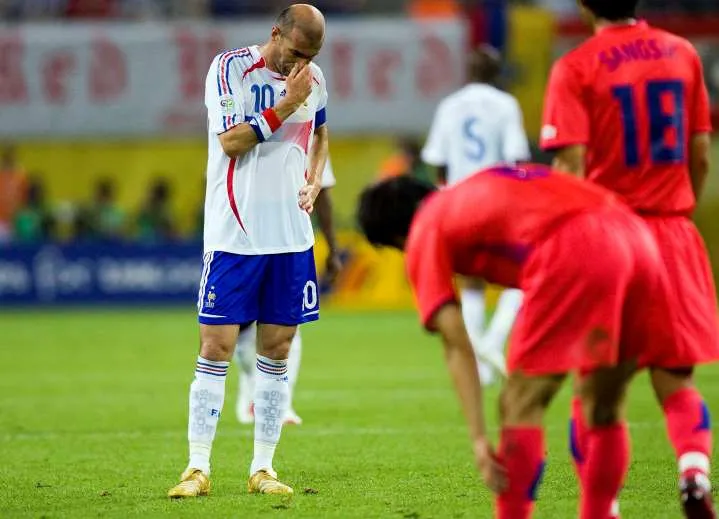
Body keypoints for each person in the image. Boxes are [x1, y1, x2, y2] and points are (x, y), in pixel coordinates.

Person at [357, 166, 677, 519]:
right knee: (603, 405)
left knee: (518, 405)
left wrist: (479, 439)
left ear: (395, 238)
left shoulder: (425, 227)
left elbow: (456, 342)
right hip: (639, 239)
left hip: (573, 249)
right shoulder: (477, 187)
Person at [540, 1, 718, 517]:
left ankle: (601, 507)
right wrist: (677, 208)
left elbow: (571, 164)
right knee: (676, 379)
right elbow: (700, 154)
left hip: (608, 238)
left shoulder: (577, 65)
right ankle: (692, 468)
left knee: (594, 389)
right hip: (671, 232)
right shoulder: (681, 53)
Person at [167, 3, 329, 498]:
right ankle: (197, 468)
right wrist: (283, 103)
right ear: (275, 33)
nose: (299, 66)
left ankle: (263, 468)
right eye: (295, 53)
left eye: (310, 57)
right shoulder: (229, 68)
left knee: (277, 352)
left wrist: (316, 178)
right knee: (214, 348)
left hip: (290, 238)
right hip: (233, 237)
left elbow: (320, 134)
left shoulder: (313, 78)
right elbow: (233, 142)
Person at [421, 44, 531, 386]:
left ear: (468, 73)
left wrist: (444, 192)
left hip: (458, 199)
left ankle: (481, 361)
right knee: (524, 274)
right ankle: (492, 344)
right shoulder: (506, 105)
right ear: (497, 74)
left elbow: (437, 159)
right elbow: (516, 158)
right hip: (497, 196)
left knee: (470, 280)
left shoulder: (450, 105)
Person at [234, 157, 342, 426]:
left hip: (290, 242)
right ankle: (250, 382)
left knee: (286, 321)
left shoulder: (311, 135)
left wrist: (332, 248)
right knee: (240, 325)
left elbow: (323, 194)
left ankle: (280, 402)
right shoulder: (242, 127)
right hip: (242, 241)